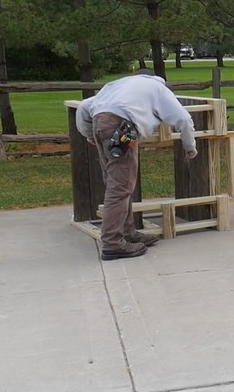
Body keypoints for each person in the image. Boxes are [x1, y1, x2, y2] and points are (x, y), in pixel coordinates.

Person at [76, 70, 198, 260]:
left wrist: (90, 135)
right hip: (121, 127)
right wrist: (190, 147)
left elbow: (84, 106)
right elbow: (182, 119)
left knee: (116, 183)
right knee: (120, 187)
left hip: (100, 123)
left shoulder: (118, 84)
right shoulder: (157, 87)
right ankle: (113, 243)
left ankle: (127, 232)